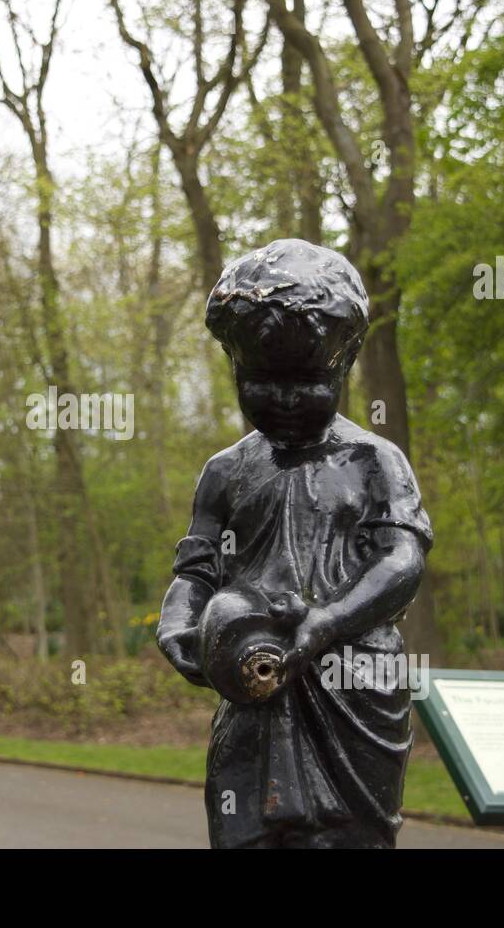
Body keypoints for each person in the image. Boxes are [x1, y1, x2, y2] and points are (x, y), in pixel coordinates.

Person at [157, 239, 432, 848]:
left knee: (347, 837)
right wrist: (177, 624)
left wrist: (328, 621)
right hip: (253, 684)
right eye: (260, 380)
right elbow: (197, 572)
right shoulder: (225, 472)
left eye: (307, 382)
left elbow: (403, 560)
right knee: (248, 833)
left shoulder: (374, 461)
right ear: (234, 366)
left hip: (352, 686)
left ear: (346, 363)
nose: (282, 399)